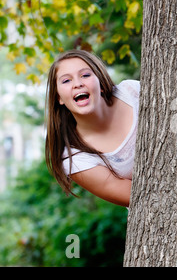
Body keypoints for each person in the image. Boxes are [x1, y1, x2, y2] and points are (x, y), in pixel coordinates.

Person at [45, 50, 139, 207]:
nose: (77, 84)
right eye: (66, 81)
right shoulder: (75, 159)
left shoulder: (133, 92)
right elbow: (138, 197)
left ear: (101, 83)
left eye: (85, 75)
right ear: (59, 97)